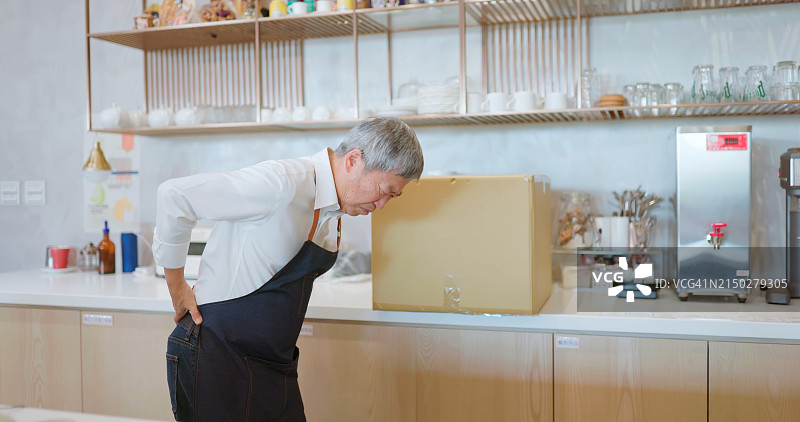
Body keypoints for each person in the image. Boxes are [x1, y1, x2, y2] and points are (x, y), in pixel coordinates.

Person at [153, 117, 423, 421]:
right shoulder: (281, 183)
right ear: (353, 161)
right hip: (216, 355)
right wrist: (176, 286)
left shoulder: (333, 206)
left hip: (272, 363)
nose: (383, 205)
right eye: (386, 190)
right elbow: (173, 196)